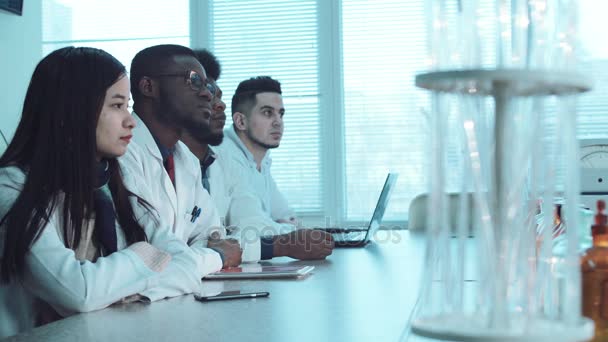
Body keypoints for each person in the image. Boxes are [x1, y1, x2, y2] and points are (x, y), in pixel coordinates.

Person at [0, 47, 204, 338]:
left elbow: (186, 265)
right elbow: (78, 291)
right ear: (72, 109)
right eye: (117, 105)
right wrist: (144, 254)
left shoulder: (116, 181)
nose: (130, 120)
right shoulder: (12, 187)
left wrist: (125, 292)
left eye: (128, 105)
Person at [179, 59, 333, 260]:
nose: (278, 122)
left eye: (281, 113)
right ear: (240, 121)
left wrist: (300, 232)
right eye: (268, 113)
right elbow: (251, 225)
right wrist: (293, 235)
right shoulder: (223, 153)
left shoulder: (262, 159)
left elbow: (286, 215)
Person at [119, 44, 243, 268]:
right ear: (148, 86)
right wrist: (213, 257)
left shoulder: (186, 159)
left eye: (206, 85)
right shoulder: (124, 152)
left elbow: (214, 236)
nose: (207, 94)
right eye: (194, 81)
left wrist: (200, 256)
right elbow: (155, 253)